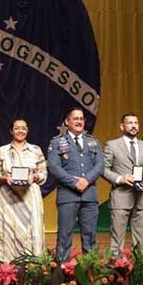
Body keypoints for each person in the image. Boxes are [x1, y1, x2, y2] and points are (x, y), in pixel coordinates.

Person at [48, 107, 104, 261]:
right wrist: (74, 182)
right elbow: (54, 167)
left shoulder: (93, 141)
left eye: (81, 119)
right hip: (68, 195)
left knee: (90, 236)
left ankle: (90, 272)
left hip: (89, 195)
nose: (79, 121)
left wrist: (87, 180)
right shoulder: (57, 142)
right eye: (75, 118)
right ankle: (61, 272)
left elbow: (100, 165)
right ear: (67, 122)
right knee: (64, 236)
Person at [0, 119, 47, 262]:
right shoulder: (2, 151)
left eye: (23, 128)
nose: (20, 131)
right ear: (11, 131)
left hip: (30, 198)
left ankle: (33, 267)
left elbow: (44, 174)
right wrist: (4, 179)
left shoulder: (36, 150)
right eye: (17, 128)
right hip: (8, 199)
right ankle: (8, 268)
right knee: (9, 232)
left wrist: (35, 176)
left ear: (27, 130)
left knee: (33, 232)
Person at [103, 113, 143, 256]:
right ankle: (115, 269)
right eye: (130, 123)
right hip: (121, 197)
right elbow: (103, 169)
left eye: (136, 123)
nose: (133, 126)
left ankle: (139, 268)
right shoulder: (112, 145)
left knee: (140, 240)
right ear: (122, 126)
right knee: (117, 240)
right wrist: (120, 178)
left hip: (141, 197)